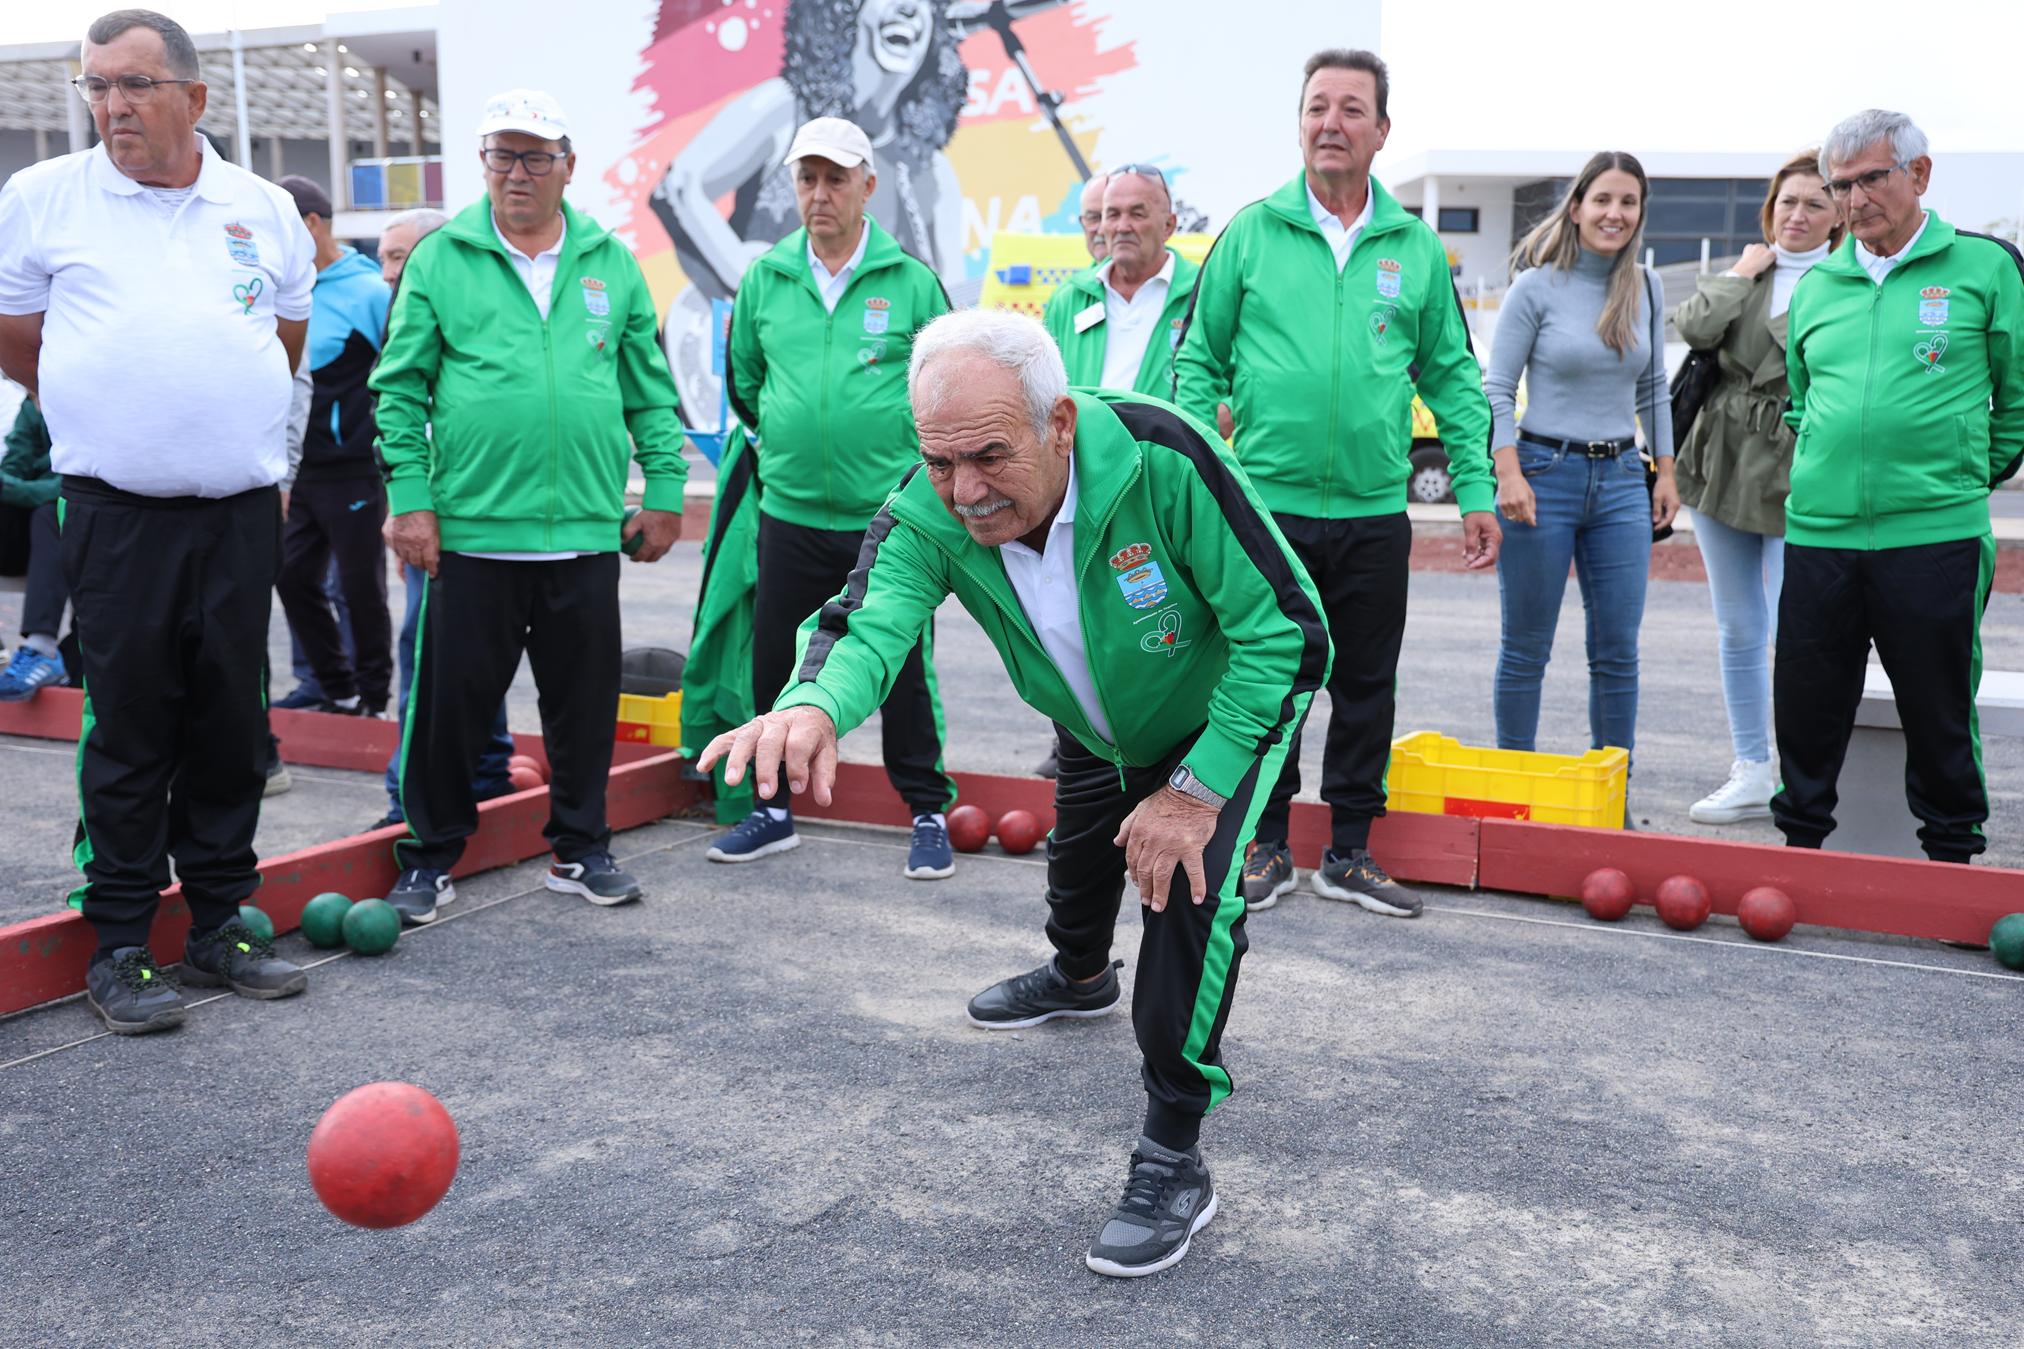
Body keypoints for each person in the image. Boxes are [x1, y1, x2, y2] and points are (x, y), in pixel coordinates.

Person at [698, 309, 1327, 1278]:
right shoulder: (929, 506)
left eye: (988, 456)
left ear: (1060, 424)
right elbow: (865, 620)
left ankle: (1173, 1147)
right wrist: (815, 703)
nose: (965, 491)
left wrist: (1194, 793)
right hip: (1093, 726)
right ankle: (1079, 975)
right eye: (940, 461)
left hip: (1215, 726)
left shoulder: (1162, 459)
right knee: (1076, 877)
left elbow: (1288, 631)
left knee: (1183, 899)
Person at [0, 8, 315, 1032]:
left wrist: (213, 413)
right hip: (114, 515)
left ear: (195, 97)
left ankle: (221, 923)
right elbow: (17, 336)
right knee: (130, 726)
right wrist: (106, 409)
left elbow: (285, 334)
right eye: (96, 86)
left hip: (235, 512)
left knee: (230, 719)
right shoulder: (44, 197)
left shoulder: (260, 205)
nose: (111, 105)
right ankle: (124, 943)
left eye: (133, 84)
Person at [1174, 48, 1497, 915]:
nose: (1331, 123)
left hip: (1371, 514)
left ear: (1381, 131)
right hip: (1266, 513)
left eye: (1352, 109)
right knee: (1269, 679)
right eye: (1318, 106)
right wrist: (1211, 476)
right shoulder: (1249, 232)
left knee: (1364, 683)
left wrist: (1474, 490)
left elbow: (1455, 379)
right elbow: (1196, 362)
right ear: (1301, 122)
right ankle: (1264, 842)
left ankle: (1349, 849)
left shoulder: (1416, 248)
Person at [370, 89, 688, 922]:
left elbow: (650, 395)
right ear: (483, 163)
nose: (517, 172)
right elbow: (398, 390)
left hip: (584, 534)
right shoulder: (442, 258)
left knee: (582, 711)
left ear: (567, 166)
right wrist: (410, 499)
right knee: (448, 713)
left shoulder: (610, 261)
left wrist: (660, 492)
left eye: (535, 156)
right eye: (502, 155)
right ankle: (429, 855)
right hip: (471, 536)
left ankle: (581, 849)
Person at [709, 116, 958, 877]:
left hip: (884, 522)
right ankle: (772, 808)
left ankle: (926, 809)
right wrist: (788, 442)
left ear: (867, 187)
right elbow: (745, 383)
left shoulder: (912, 281)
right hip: (787, 512)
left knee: (901, 668)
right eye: (807, 178)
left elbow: (946, 389)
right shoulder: (764, 278)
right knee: (777, 664)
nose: (820, 194)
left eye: (836, 178)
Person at [1774, 109, 2022, 863]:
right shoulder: (1820, 286)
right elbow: (1801, 399)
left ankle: (1951, 853)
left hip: (1935, 534)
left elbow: (2017, 401)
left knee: (1937, 704)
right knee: (1807, 704)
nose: (1852, 200)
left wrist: (1955, 477)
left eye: (1869, 179)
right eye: (1840, 185)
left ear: (1918, 174)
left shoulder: (1985, 268)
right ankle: (1799, 847)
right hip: (1820, 532)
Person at [1484, 151, 1678, 805]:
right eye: (1602, 200)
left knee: (1618, 650)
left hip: (1623, 477)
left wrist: (1665, 472)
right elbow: (1497, 387)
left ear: (1639, 213)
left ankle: (1610, 802)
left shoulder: (1646, 287)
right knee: (1526, 648)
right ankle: (1514, 798)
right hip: (1543, 474)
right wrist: (1507, 471)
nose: (1614, 213)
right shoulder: (1536, 287)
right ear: (1576, 208)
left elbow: (1654, 386)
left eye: (1628, 202)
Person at [1673, 152, 1841, 825]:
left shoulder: (1847, 278)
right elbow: (1693, 326)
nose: (1796, 216)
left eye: (1813, 205)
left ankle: (1809, 775)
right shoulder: (1751, 272)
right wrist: (1743, 271)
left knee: (1802, 627)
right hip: (1724, 457)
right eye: (1787, 202)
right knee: (1739, 626)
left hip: (1802, 460)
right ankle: (1750, 765)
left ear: (1838, 218)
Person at [365, 206, 518, 832]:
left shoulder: (467, 311)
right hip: (427, 518)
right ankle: (485, 773)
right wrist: (405, 513)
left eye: (399, 257)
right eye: (384, 258)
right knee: (446, 654)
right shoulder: (401, 316)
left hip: (473, 519)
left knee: (437, 656)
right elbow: (397, 426)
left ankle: (422, 797)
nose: (387, 272)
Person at [272, 173, 393, 718]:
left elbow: (400, 376)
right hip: (298, 468)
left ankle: (373, 697)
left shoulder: (369, 291)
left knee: (359, 588)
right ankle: (334, 686)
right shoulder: (280, 288)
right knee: (291, 575)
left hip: (354, 469)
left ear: (313, 225)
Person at [1043, 165, 1199, 395]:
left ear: (1168, 225)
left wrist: (1216, 416)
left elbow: (1241, 378)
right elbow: (1043, 391)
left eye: (1137, 214)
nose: (1122, 227)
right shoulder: (1069, 298)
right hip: (1087, 433)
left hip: (1172, 433)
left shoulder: (1203, 291)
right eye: (1112, 214)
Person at [0, 395, 69, 700]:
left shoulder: (89, 398)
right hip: (31, 538)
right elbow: (15, 462)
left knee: (50, 510)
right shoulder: (32, 403)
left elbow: (71, 485)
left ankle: (41, 648)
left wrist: (17, 490)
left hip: (79, 529)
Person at [1076, 171, 1111, 261]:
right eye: (1093, 218)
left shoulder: (1150, 274)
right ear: (1082, 223)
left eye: (1112, 216)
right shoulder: (1077, 275)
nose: (1101, 231)